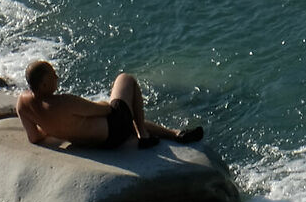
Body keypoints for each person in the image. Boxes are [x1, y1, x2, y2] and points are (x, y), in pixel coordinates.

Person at [16, 61, 202, 151]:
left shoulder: (23, 105)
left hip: (93, 143)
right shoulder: (64, 102)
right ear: (44, 85)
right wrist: (105, 102)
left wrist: (50, 129)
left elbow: (33, 137)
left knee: (131, 122)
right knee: (126, 79)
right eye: (53, 75)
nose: (57, 77)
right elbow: (105, 110)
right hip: (114, 133)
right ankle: (144, 136)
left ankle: (175, 134)